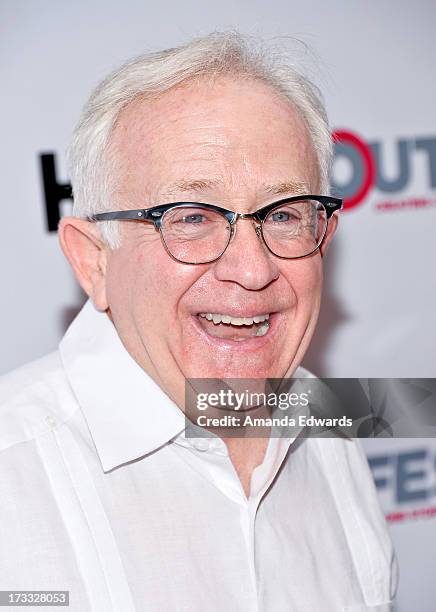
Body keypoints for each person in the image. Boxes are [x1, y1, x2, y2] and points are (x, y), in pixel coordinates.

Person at [0, 32, 397, 611]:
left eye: (284, 215)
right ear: (93, 260)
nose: (252, 269)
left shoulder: (327, 423)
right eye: (190, 217)